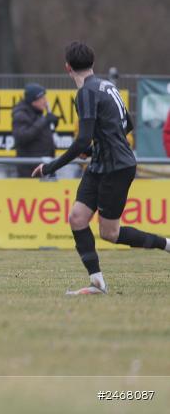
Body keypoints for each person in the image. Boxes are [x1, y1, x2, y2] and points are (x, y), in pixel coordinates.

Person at [33, 42, 170, 295]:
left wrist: (51, 167)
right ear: (92, 64)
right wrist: (100, 147)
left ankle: (167, 244)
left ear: (67, 67)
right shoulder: (107, 85)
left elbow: (83, 140)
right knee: (77, 218)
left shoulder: (86, 92)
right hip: (101, 164)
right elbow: (127, 123)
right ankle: (97, 282)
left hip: (116, 167)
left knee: (110, 233)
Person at [12, 83, 59, 177]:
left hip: (44, 165)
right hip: (30, 170)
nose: (45, 102)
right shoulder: (21, 114)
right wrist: (44, 121)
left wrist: (53, 123)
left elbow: (40, 134)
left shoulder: (38, 113)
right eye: (42, 99)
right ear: (33, 101)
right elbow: (22, 137)